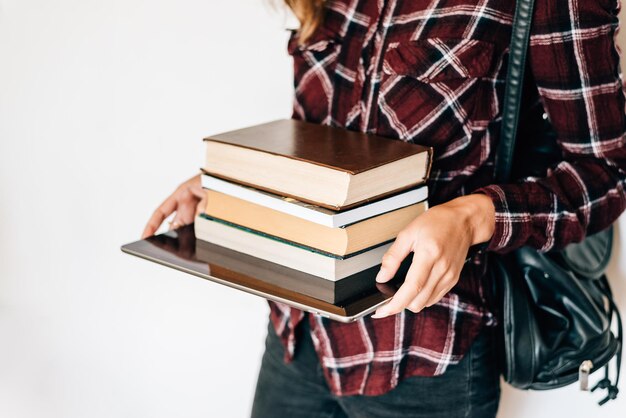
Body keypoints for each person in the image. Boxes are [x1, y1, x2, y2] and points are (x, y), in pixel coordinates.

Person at [142, 0, 626, 416]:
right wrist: (236, 188)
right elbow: (321, 140)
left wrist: (474, 216)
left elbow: (606, 174)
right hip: (297, 334)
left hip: (425, 354)